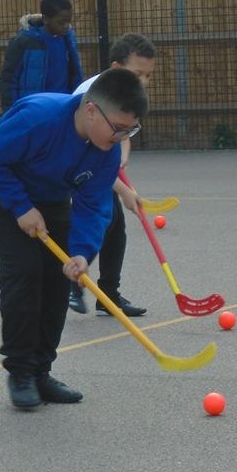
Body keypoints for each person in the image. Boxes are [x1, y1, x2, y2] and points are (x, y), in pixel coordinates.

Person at [0, 68, 148, 410]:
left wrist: (82, 253)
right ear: (91, 110)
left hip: (49, 199)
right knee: (25, 270)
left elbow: (93, 206)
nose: (121, 137)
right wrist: (20, 206)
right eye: (118, 128)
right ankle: (20, 372)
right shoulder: (40, 116)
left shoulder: (106, 151)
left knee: (58, 279)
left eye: (130, 130)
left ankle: (40, 372)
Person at [67, 33, 157, 316]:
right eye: (138, 74)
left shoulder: (125, 93)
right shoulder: (94, 95)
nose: (143, 82)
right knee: (99, 221)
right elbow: (93, 162)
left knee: (114, 226)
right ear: (117, 68)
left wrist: (123, 156)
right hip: (76, 169)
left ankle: (107, 295)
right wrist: (125, 191)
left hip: (98, 165)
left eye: (148, 75)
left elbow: (122, 133)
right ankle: (73, 282)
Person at [0, 0, 84, 111]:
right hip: (34, 109)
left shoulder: (68, 39)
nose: (66, 26)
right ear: (45, 19)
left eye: (68, 21)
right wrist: (11, 111)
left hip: (63, 106)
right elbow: (8, 79)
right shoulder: (25, 41)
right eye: (61, 22)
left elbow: (76, 74)